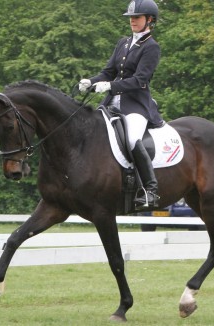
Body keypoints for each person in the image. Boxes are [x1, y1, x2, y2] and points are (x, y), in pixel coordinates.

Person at [78, 0, 162, 209]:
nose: (132, 21)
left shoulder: (151, 47)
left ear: (149, 20)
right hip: (111, 104)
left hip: (136, 105)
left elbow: (139, 80)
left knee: (133, 139)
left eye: (137, 17)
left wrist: (109, 86)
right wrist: (92, 81)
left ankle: (150, 190)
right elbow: (108, 72)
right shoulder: (123, 43)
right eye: (131, 18)